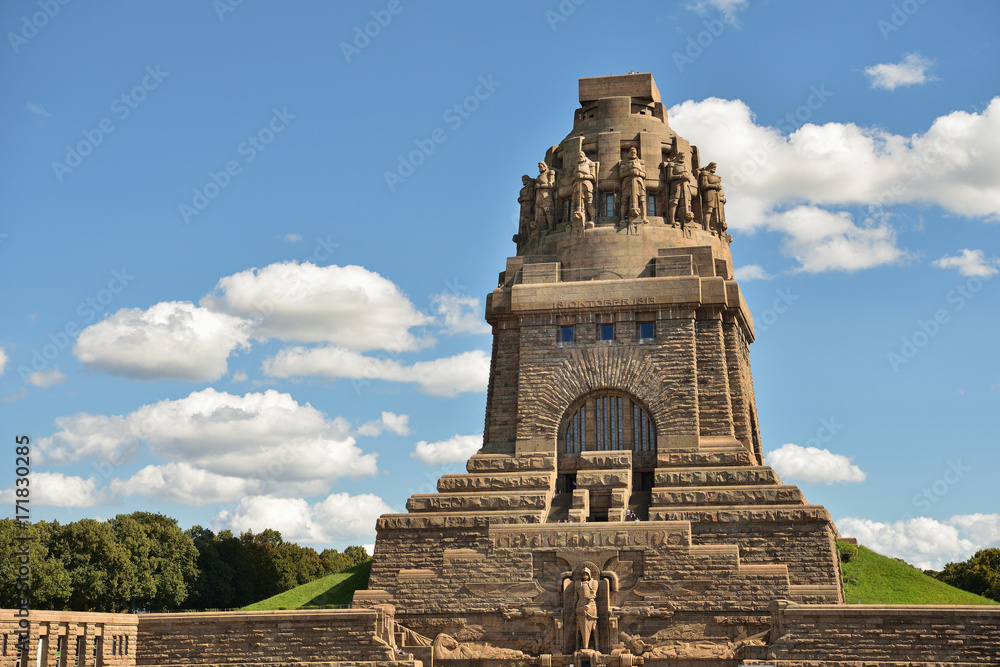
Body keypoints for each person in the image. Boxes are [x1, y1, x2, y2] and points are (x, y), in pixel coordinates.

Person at [663, 154, 697, 228]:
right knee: (674, 201)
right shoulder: (672, 165)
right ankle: (672, 220)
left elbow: (689, 177)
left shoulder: (685, 167)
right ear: (677, 157)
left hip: (686, 186)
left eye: (684, 157)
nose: (683, 158)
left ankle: (686, 220)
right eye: (681, 156)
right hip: (676, 185)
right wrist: (680, 176)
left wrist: (687, 178)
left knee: (688, 203)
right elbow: (669, 177)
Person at [575, 567, 599, 651]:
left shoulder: (594, 583)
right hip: (580, 605)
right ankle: (577, 648)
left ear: (589, 575)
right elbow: (575, 597)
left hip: (591, 605)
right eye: (583, 574)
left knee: (594, 627)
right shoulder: (578, 584)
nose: (585, 575)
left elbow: (593, 594)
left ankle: (597, 648)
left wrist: (589, 604)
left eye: (586, 574)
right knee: (578, 627)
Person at [620, 147, 646, 223]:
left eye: (634, 152)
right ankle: (622, 218)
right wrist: (629, 173)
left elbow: (644, 174)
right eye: (631, 152)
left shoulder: (641, 162)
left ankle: (644, 217)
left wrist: (638, 173)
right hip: (627, 183)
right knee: (624, 200)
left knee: (642, 199)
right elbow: (621, 175)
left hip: (639, 182)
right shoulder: (624, 163)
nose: (633, 153)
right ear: (628, 153)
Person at [571, 151, 596, 225]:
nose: (579, 156)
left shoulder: (590, 164)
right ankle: (576, 220)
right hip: (576, 185)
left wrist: (583, 176)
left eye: (581, 155)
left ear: (584, 156)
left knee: (589, 202)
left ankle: (592, 219)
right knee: (575, 203)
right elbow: (572, 178)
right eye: (578, 155)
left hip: (586, 184)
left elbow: (593, 177)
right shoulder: (575, 166)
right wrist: (575, 178)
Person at [534, 162, 556, 230]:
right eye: (539, 167)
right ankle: (541, 227)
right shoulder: (539, 176)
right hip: (538, 195)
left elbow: (552, 185)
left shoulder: (550, 172)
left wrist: (540, 186)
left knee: (548, 210)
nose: (540, 168)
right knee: (539, 212)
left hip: (546, 194)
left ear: (545, 166)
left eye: (541, 166)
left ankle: (551, 226)